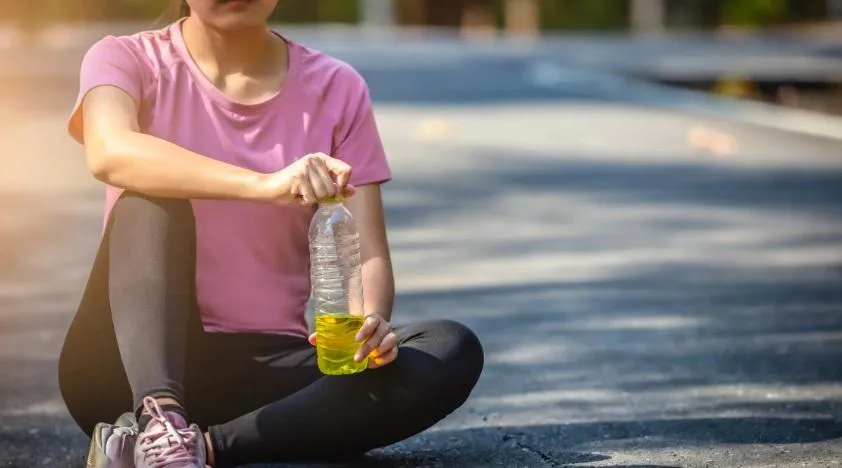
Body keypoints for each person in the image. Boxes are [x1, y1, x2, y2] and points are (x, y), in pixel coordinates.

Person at [56, 1, 484, 466]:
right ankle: (159, 420)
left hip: (262, 374)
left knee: (449, 348)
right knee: (148, 199)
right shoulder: (124, 58)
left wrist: (367, 324)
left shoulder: (336, 86)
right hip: (125, 370)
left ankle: (200, 448)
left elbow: (364, 253)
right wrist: (264, 185)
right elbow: (110, 152)